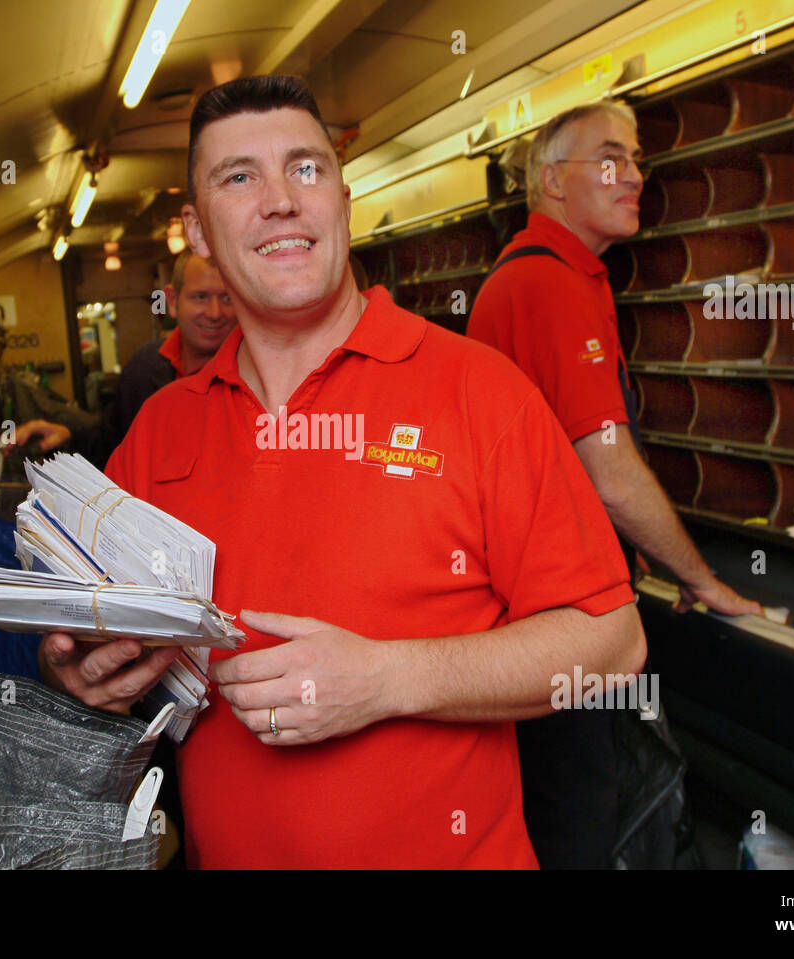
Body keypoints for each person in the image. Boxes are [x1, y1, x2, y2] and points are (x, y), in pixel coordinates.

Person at [37, 75, 645, 869]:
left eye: (306, 168)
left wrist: (391, 677)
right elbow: (103, 642)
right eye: (239, 177)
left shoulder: (476, 391)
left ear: (342, 199)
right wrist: (82, 669)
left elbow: (612, 641)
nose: (281, 199)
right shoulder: (160, 431)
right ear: (199, 230)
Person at [466, 100, 762, 867]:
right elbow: (609, 471)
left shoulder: (548, 277)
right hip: (556, 622)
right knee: (577, 826)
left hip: (532, 620)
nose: (634, 175)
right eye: (610, 158)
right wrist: (702, 579)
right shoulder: (550, 286)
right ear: (551, 181)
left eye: (636, 159)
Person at [11, 250, 236, 461]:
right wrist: (68, 436)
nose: (215, 313)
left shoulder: (257, 373)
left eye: (227, 298)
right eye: (200, 297)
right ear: (173, 300)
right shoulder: (144, 367)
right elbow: (113, 444)